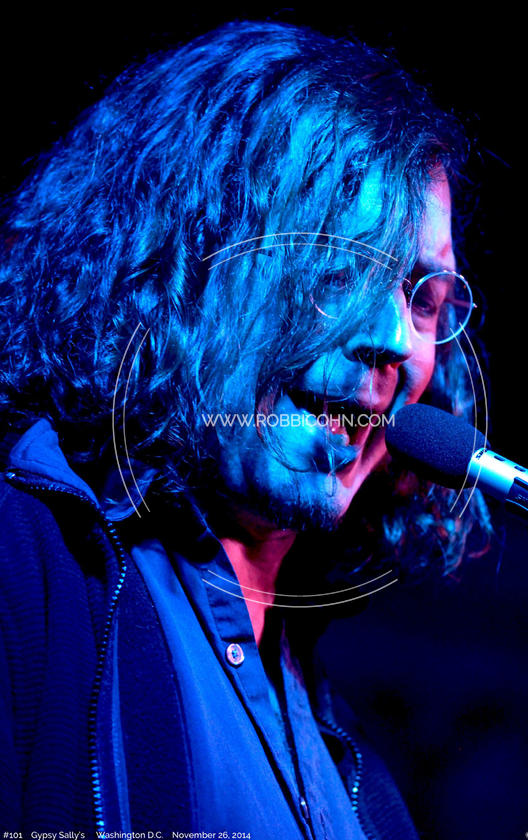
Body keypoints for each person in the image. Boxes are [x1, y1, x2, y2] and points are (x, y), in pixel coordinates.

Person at [0, 20, 489, 836]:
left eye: (423, 296)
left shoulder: (365, 793)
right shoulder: (25, 573)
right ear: (184, 261)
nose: (392, 338)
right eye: (339, 266)